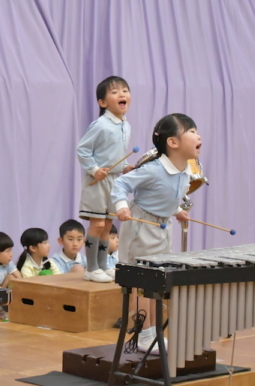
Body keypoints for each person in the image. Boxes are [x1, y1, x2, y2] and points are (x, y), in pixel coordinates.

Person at [112, 113, 201, 354]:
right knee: (143, 282)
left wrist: (177, 211)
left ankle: (154, 332)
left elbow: (168, 195)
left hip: (163, 227)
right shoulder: (153, 169)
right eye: (192, 132)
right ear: (173, 142)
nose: (198, 136)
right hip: (141, 227)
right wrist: (121, 206)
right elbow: (120, 184)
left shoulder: (185, 169)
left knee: (155, 282)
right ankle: (144, 334)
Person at [76, 76, 133, 283]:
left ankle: (103, 266)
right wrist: (94, 169)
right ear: (102, 102)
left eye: (125, 91)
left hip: (115, 180)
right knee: (98, 224)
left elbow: (116, 154)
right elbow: (82, 149)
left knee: (108, 225)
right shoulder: (100, 124)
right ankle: (91, 268)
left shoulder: (126, 125)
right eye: (115, 92)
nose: (122, 95)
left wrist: (125, 167)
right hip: (98, 181)